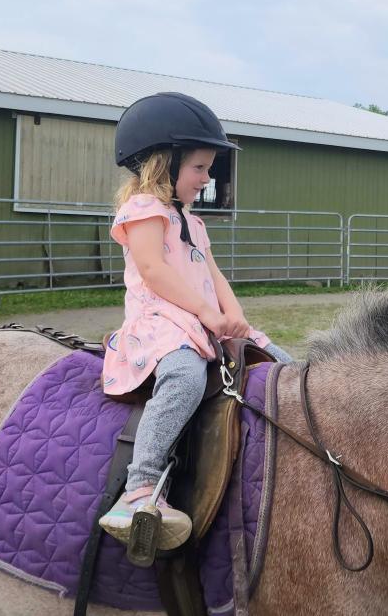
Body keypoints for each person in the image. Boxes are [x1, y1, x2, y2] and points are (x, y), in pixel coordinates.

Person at [98, 92, 291, 551]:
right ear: (164, 165)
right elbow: (154, 270)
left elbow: (211, 273)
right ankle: (140, 488)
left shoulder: (193, 222)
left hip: (202, 323)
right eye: (199, 168)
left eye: (209, 169)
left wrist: (235, 317)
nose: (207, 179)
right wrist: (206, 313)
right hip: (162, 322)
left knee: (281, 363)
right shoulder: (145, 209)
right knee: (184, 376)